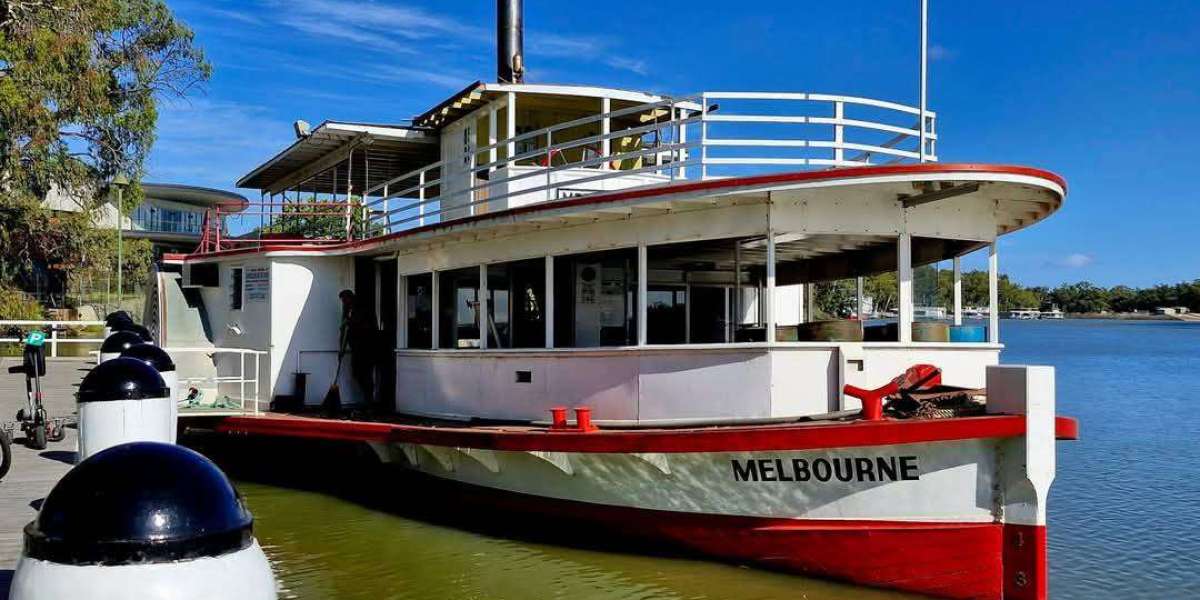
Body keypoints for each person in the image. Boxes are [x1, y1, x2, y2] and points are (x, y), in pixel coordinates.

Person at [338, 290, 379, 413]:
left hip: (367, 348)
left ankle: (369, 403)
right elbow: (344, 332)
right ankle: (368, 401)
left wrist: (348, 322)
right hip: (357, 348)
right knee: (357, 373)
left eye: (345, 300)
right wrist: (342, 350)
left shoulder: (361, 309)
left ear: (350, 298)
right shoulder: (348, 311)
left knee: (365, 374)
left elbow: (362, 326)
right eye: (342, 301)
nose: (344, 303)